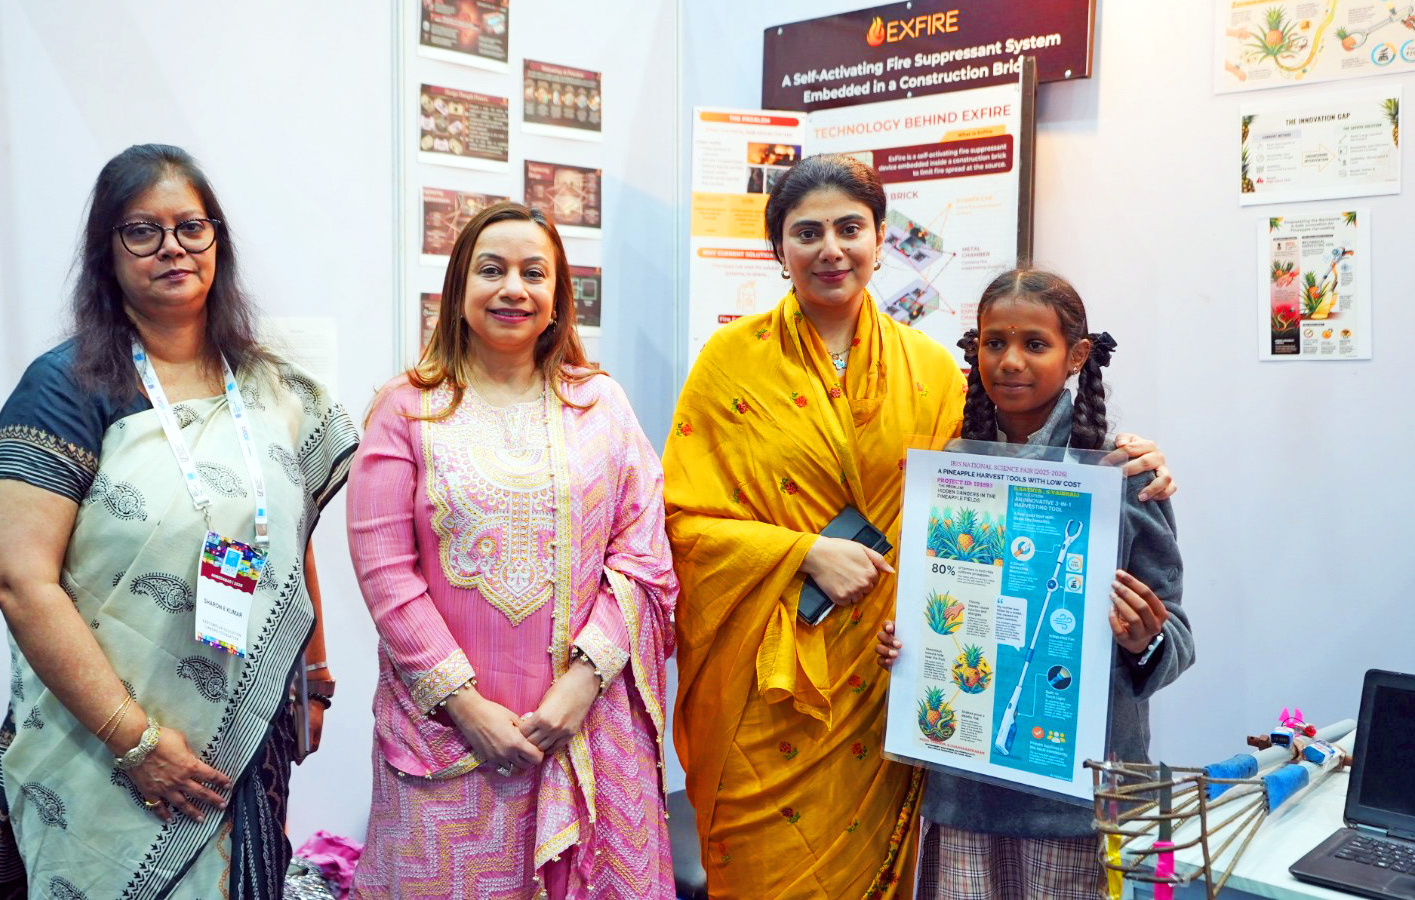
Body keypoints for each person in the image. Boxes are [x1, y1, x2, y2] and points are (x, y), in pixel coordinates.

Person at [661, 154, 1174, 899]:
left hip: (891, 685)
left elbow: (993, 491)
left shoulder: (932, 371)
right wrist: (801, 552)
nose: (830, 248)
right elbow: (682, 521)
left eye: (849, 228)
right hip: (765, 697)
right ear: (779, 250)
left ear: (880, 240)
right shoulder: (727, 365)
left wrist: (1137, 455)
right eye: (807, 232)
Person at [0, 144, 359, 900]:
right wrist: (135, 741)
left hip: (244, 739)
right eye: (142, 230)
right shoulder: (65, 388)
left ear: (217, 241)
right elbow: (18, 582)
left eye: (191, 227)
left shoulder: (270, 387)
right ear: (108, 250)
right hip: (98, 746)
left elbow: (290, 540)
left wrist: (316, 680)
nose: (172, 247)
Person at [346, 202, 676, 898]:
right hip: (448, 741)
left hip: (585, 733)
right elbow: (385, 574)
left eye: (534, 273)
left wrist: (579, 688)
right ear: (459, 289)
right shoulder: (407, 408)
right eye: (491, 270)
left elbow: (643, 555)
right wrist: (465, 707)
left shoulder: (600, 404)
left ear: (558, 298)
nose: (513, 289)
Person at [876, 268, 1193, 900]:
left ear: (1076, 356)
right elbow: (942, 601)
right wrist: (907, 645)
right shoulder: (952, 470)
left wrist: (1143, 640)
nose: (1011, 361)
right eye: (994, 343)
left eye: (1035, 344)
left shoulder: (1121, 471)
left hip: (1079, 804)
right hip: (965, 794)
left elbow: (1176, 637)